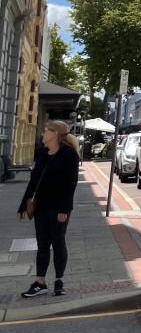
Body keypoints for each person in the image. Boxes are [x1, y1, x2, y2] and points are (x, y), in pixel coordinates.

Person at [16, 120, 81, 298]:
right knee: (42, 244)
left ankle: (59, 281)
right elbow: (34, 181)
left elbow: (71, 185)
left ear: (56, 134)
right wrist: (23, 205)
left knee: (58, 242)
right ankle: (40, 282)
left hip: (59, 207)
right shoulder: (42, 153)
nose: (43, 133)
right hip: (41, 207)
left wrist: (64, 210)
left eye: (47, 130)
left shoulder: (69, 155)